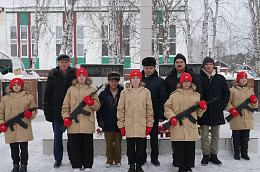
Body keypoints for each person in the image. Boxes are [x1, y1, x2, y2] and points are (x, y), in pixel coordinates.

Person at [164, 73, 207, 172]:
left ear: (191, 83)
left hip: (190, 125)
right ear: (181, 83)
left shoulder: (196, 95)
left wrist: (203, 108)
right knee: (179, 147)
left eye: (188, 82)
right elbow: (167, 107)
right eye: (184, 82)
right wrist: (172, 117)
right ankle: (180, 166)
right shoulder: (174, 95)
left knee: (190, 147)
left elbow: (199, 114)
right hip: (178, 125)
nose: (186, 84)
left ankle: (188, 166)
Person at [61, 68, 101, 172]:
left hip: (87, 122)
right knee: (75, 146)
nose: (81, 77)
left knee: (87, 146)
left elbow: (97, 107)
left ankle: (88, 165)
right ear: (77, 77)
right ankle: (76, 165)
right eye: (79, 76)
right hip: (74, 123)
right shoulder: (71, 89)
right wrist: (66, 117)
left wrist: (92, 102)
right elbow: (65, 107)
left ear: (86, 77)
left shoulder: (91, 90)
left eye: (83, 75)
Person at [117, 69, 154, 172]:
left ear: (140, 79)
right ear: (130, 80)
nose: (135, 80)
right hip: (129, 125)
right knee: (130, 147)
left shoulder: (146, 92)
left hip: (142, 125)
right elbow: (120, 109)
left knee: (141, 147)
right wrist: (121, 125)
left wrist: (149, 124)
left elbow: (149, 109)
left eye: (137, 78)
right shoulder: (125, 93)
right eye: (133, 78)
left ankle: (139, 165)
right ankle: (131, 165)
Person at [43, 54, 77, 168]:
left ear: (69, 63)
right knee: (58, 136)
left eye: (66, 62)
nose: (64, 64)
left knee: (71, 136)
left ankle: (73, 157)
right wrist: (47, 111)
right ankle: (58, 158)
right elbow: (47, 94)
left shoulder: (74, 75)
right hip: (56, 111)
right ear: (58, 63)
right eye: (61, 62)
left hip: (71, 111)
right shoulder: (53, 76)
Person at [0, 78, 37, 172]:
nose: (16, 87)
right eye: (14, 85)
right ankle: (15, 164)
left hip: (24, 127)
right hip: (10, 128)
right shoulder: (5, 99)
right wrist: (1, 123)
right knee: (13, 148)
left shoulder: (28, 98)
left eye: (18, 85)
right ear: (11, 86)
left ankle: (24, 165)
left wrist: (30, 115)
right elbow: (1, 112)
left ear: (22, 86)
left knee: (24, 148)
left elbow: (34, 111)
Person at [198, 57, 230, 166]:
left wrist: (222, 105)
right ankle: (206, 155)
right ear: (203, 66)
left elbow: (226, 93)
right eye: (206, 64)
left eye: (210, 64)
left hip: (217, 110)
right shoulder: (199, 78)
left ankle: (214, 155)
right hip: (204, 112)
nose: (208, 66)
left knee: (216, 135)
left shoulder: (220, 78)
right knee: (204, 135)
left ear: (213, 66)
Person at [141, 57, 168, 166]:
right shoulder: (139, 80)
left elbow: (163, 99)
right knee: (141, 138)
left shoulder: (160, 81)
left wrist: (161, 115)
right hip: (141, 115)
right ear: (143, 68)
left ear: (154, 68)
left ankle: (154, 158)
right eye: (146, 68)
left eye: (150, 68)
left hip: (154, 114)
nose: (148, 70)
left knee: (154, 138)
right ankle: (142, 157)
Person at [226, 72, 258, 160]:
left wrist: (255, 101)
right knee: (236, 137)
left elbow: (255, 106)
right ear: (238, 79)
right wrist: (231, 109)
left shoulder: (250, 90)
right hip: (236, 117)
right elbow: (227, 102)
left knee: (245, 138)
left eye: (245, 78)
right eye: (242, 78)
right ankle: (236, 153)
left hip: (247, 117)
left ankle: (244, 153)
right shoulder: (232, 90)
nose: (244, 80)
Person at [96, 71, 124, 168]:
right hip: (107, 122)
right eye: (112, 81)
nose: (114, 83)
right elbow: (99, 109)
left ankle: (117, 160)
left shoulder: (123, 92)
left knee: (118, 143)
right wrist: (100, 120)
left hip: (119, 122)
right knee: (108, 143)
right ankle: (109, 160)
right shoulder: (103, 94)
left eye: (116, 81)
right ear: (108, 81)